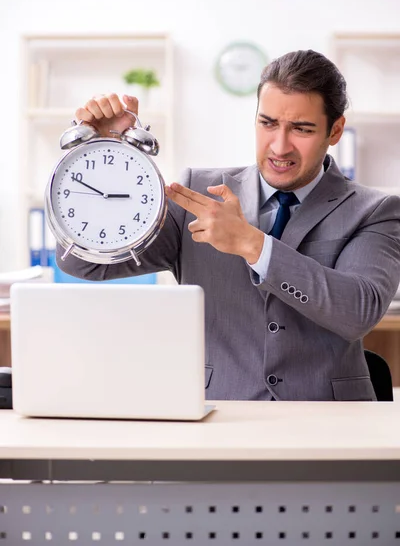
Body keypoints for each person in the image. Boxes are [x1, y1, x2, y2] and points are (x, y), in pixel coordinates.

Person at [57, 49, 400, 401]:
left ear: (336, 130)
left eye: (301, 129)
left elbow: (359, 312)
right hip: (218, 415)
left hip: (334, 426)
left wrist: (254, 245)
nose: (279, 147)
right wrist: (98, 155)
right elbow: (82, 263)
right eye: (268, 123)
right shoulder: (197, 192)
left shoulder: (376, 210)